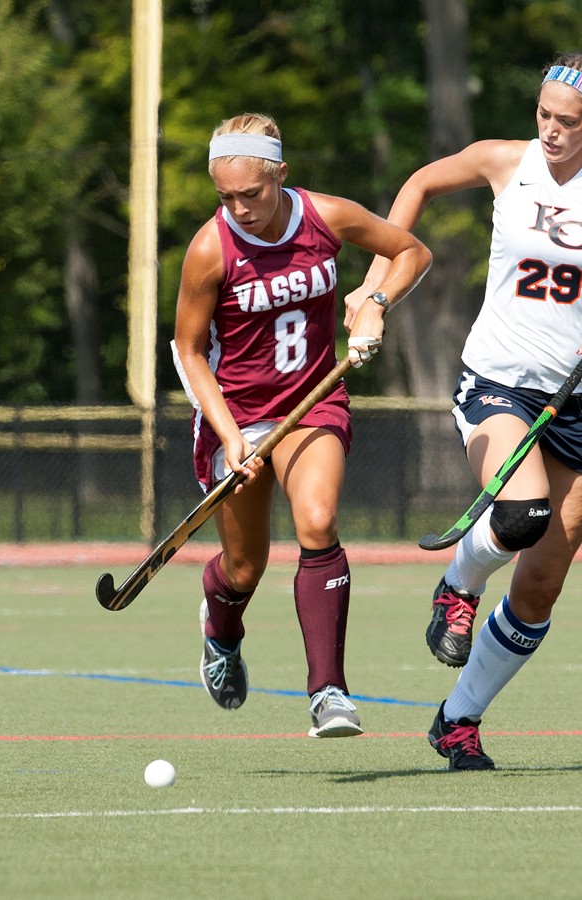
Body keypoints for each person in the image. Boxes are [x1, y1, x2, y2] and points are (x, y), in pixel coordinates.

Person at [345, 52, 582, 767]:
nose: (551, 131)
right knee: (519, 516)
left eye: (568, 122)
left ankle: (458, 719)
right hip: (499, 382)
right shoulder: (504, 162)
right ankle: (459, 582)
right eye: (544, 115)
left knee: (542, 581)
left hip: (575, 400)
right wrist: (371, 287)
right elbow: (418, 183)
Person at [172, 112, 431, 738]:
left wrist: (374, 304)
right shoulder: (211, 248)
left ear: (280, 176)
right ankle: (221, 626)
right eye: (225, 196)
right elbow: (187, 350)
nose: (239, 208)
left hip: (314, 400)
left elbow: (411, 251)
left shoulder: (327, 216)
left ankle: (329, 693)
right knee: (244, 569)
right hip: (234, 416)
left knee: (316, 519)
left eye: (251, 194)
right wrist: (231, 436)